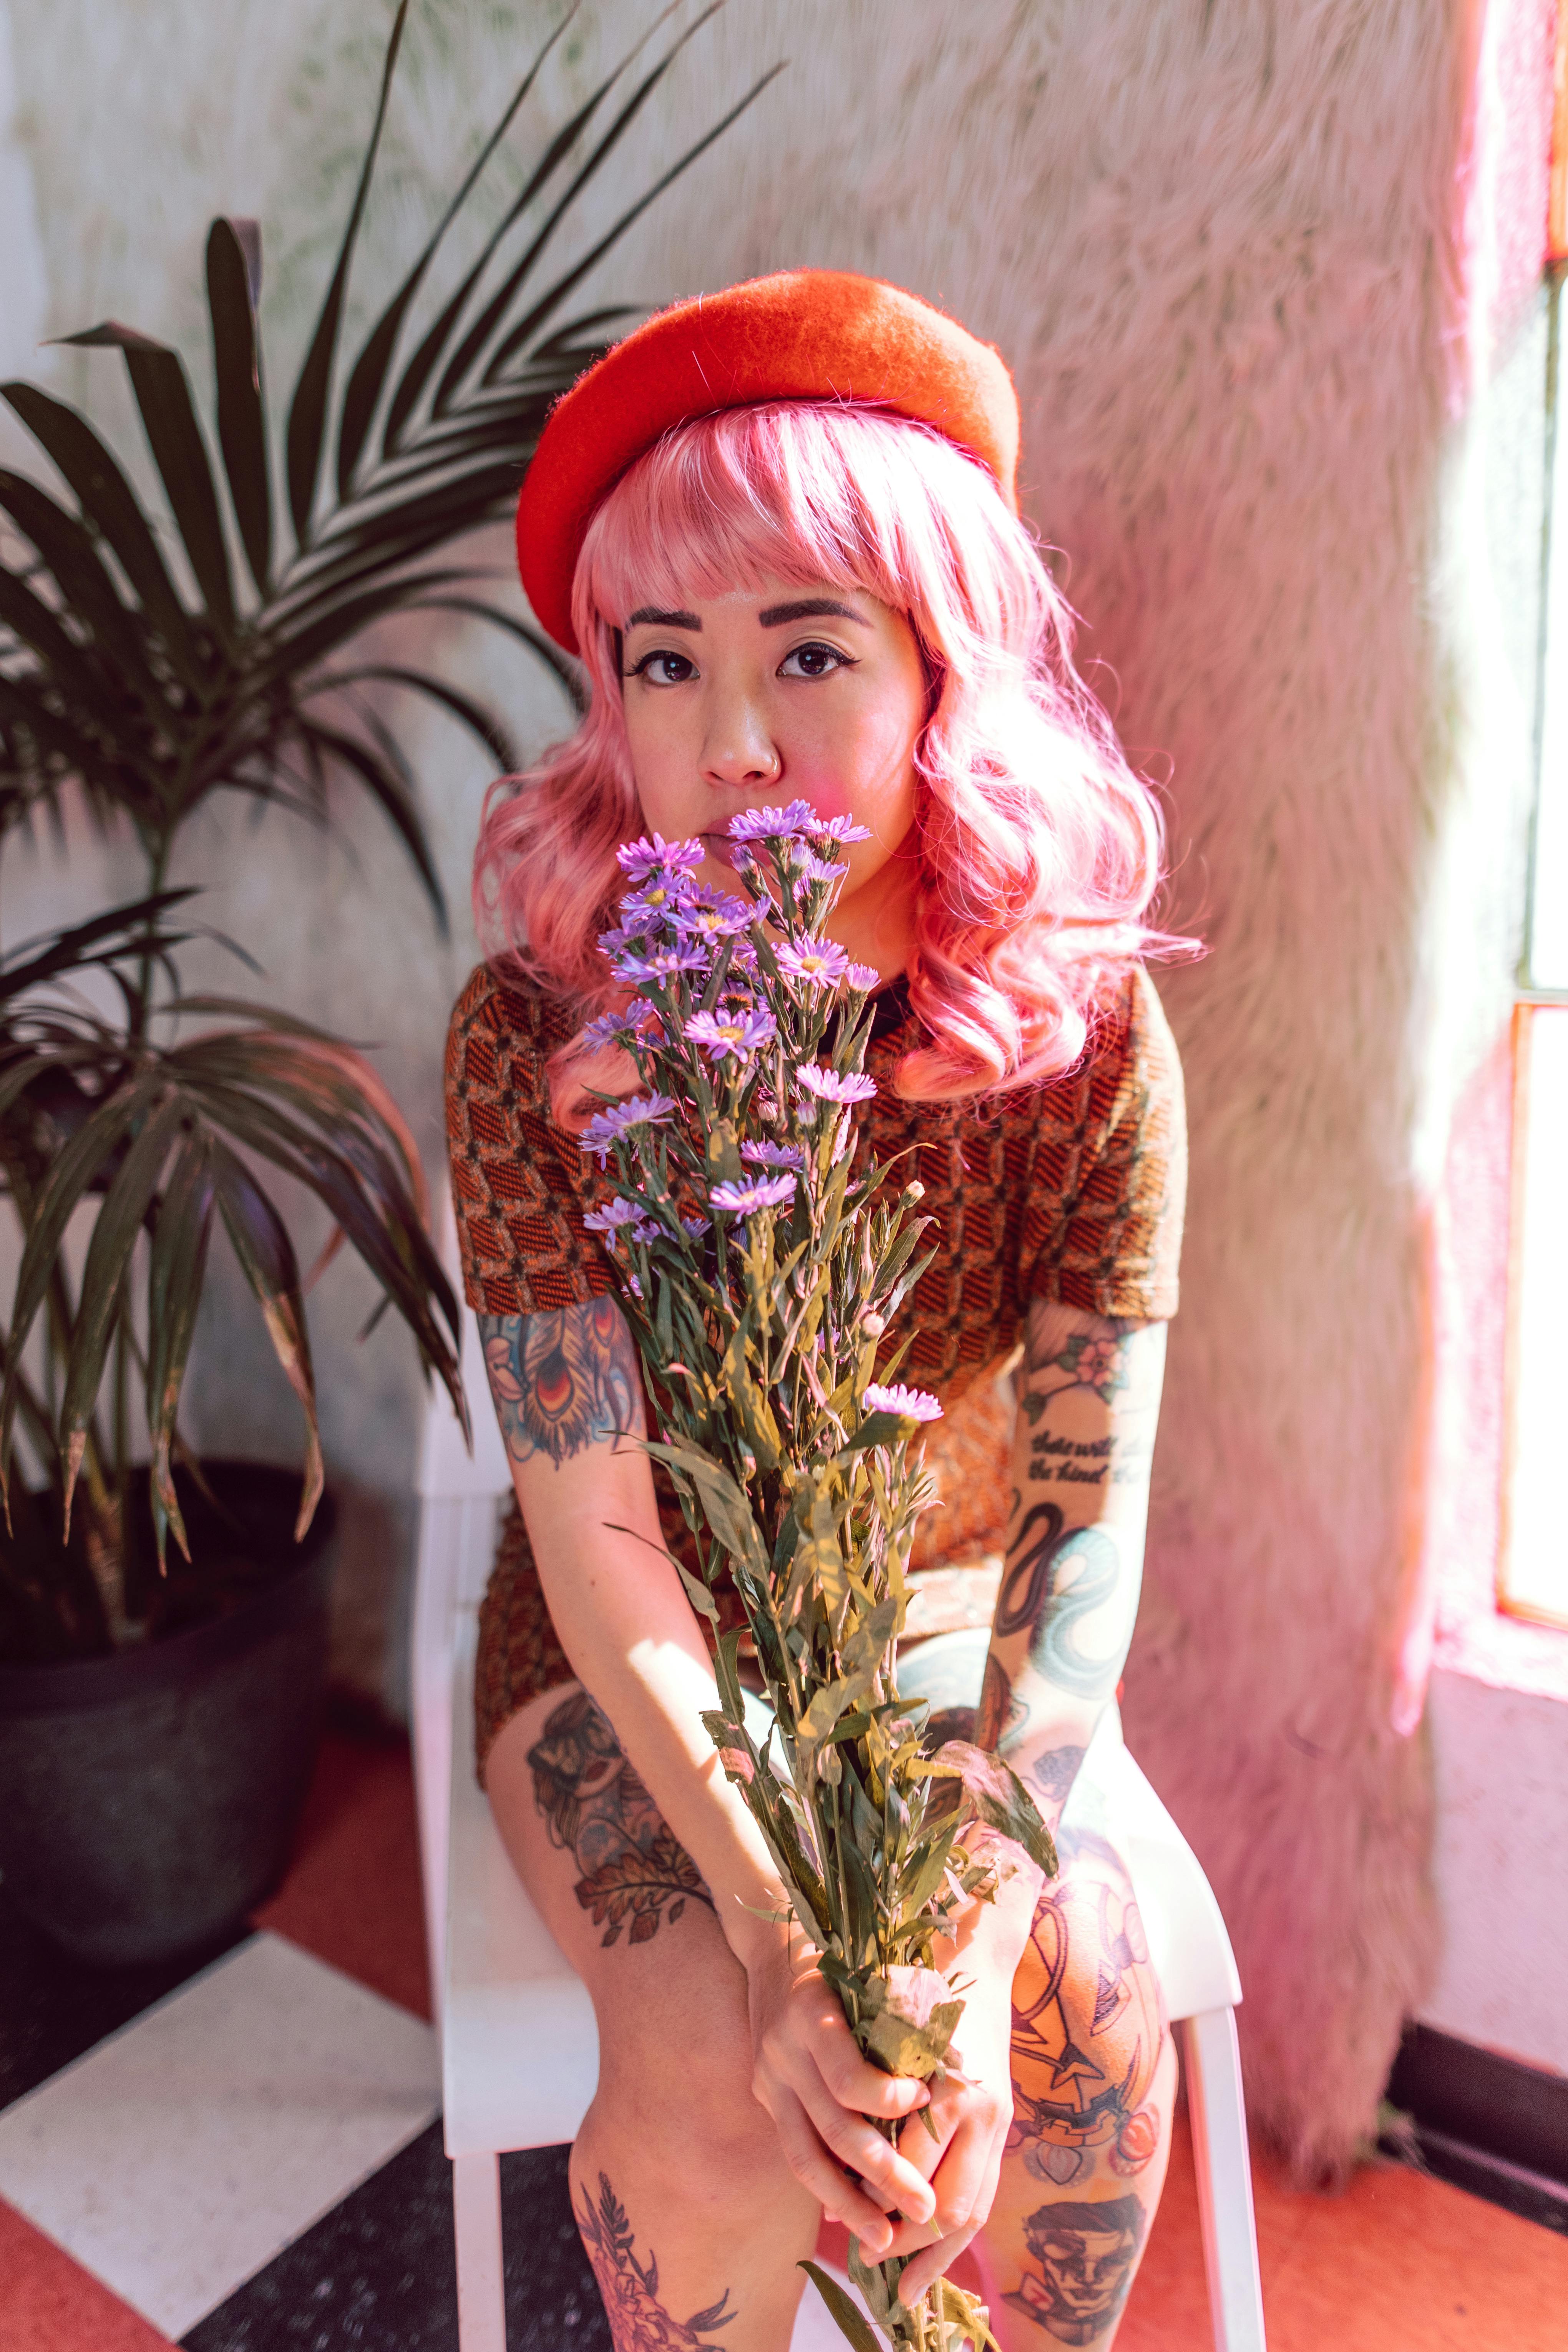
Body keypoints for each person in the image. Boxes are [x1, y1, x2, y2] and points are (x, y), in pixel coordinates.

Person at [445, 269, 1187, 2351]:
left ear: (942, 668)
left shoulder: (1077, 1039)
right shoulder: (540, 1043)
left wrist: (950, 1951)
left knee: (1082, 2006)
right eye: (661, 663)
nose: (731, 740)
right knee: (702, 2071)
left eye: (808, 650)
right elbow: (603, 1550)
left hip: (947, 1626)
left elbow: (1078, 1536)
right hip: (634, 1648)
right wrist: (785, 1947)